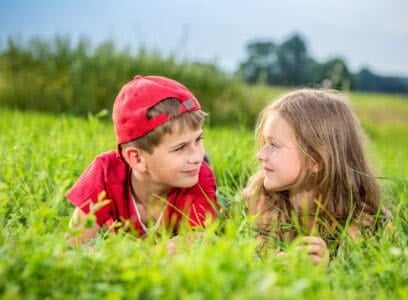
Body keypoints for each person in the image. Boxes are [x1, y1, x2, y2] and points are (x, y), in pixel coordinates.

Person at [66, 75, 217, 246]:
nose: (196, 157)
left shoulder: (197, 175)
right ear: (137, 158)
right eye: (180, 147)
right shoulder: (105, 173)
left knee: (222, 200)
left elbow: (200, 241)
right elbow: (74, 244)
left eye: (198, 139)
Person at [244, 89, 388, 265]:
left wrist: (328, 264)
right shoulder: (263, 198)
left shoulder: (358, 218)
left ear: (316, 160)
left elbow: (357, 270)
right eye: (266, 143)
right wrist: (279, 261)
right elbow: (258, 251)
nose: (261, 154)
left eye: (274, 145)